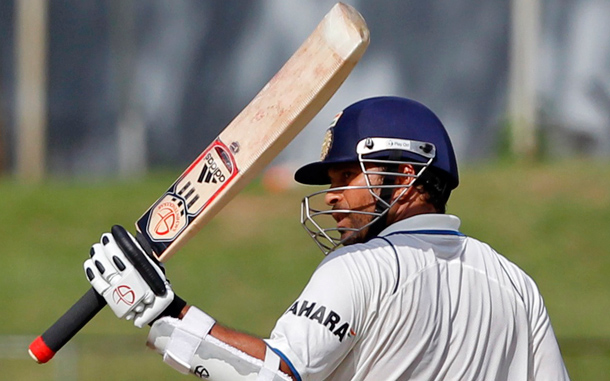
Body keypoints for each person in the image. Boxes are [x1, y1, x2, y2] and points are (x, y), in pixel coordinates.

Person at [84, 96, 570, 380]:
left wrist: (166, 314)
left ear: (405, 176)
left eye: (346, 178)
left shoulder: (360, 267)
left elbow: (276, 376)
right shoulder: (516, 285)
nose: (334, 198)